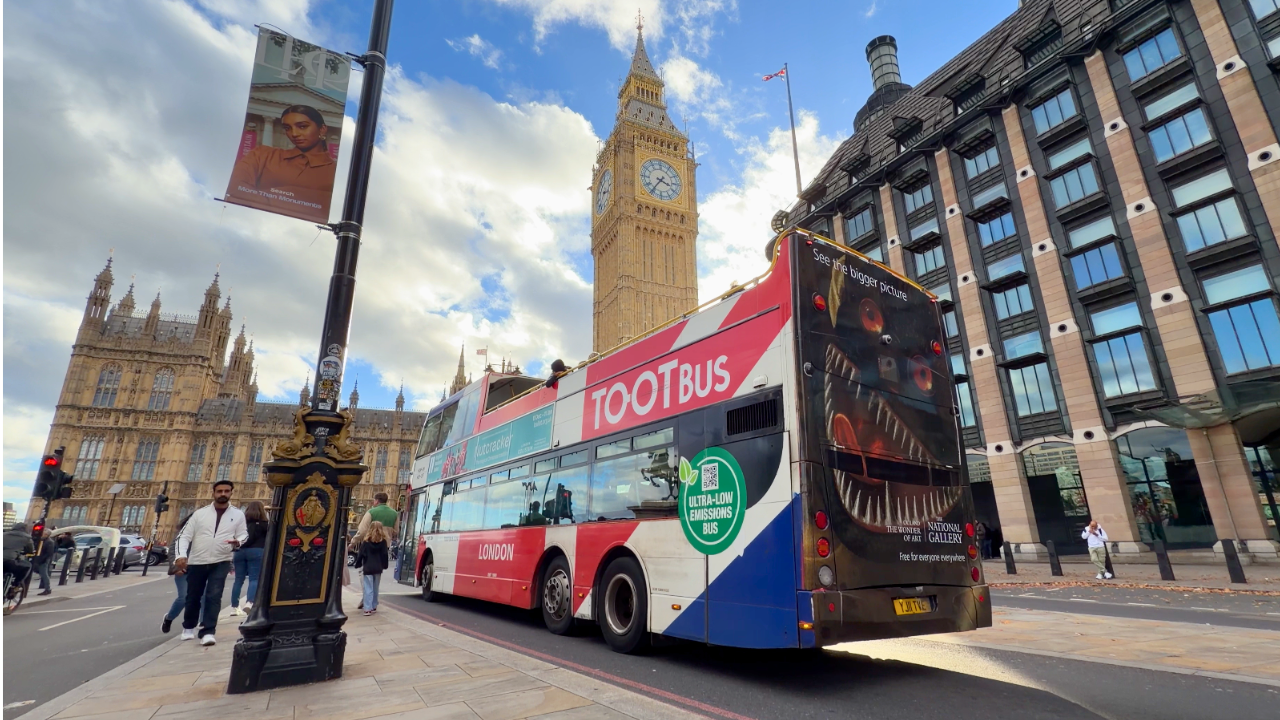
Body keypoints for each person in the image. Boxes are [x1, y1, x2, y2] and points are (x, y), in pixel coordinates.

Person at [227, 105, 337, 222]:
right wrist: (297, 198)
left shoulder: (336, 173)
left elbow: (329, 210)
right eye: (287, 128)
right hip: (249, 224)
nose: (294, 134)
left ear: (322, 129)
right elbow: (234, 189)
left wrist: (266, 194)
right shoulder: (262, 154)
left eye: (302, 126)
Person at [173, 480, 247, 646]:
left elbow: (244, 534)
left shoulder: (238, 514)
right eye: (219, 491)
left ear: (231, 493)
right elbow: (184, 536)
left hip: (222, 560)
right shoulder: (200, 514)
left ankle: (208, 631)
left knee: (214, 596)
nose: (223, 494)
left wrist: (238, 541)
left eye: (226, 491)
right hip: (197, 560)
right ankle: (189, 627)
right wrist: (180, 555)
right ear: (213, 493)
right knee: (193, 596)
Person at [161, 513, 205, 634]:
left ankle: (201, 624)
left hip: (199, 569)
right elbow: (172, 551)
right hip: (183, 569)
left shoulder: (207, 534)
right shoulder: (182, 533)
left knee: (204, 597)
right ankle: (169, 618)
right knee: (184, 598)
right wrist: (176, 568)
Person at [353, 493, 398, 609]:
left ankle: (366, 599)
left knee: (365, 574)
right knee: (377, 575)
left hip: (368, 545)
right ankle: (373, 602)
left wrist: (352, 542)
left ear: (377, 501)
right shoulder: (394, 513)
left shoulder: (371, 512)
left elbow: (362, 531)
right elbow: (396, 531)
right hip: (384, 546)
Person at [229, 501, 268, 616]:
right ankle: (249, 603)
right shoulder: (264, 524)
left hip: (240, 552)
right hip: (256, 551)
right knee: (254, 579)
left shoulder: (241, 523)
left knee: (238, 580)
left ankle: (235, 607)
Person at [356, 521, 390, 615]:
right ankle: (374, 606)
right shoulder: (383, 542)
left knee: (368, 588)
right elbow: (384, 555)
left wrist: (358, 564)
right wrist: (385, 565)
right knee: (375, 588)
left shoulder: (366, 542)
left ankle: (367, 608)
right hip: (378, 568)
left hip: (368, 567)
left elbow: (360, 555)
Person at [3, 522, 34, 592]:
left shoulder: (3, 534)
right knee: (27, 566)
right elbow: (30, 550)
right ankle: (15, 586)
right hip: (8, 561)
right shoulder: (27, 538)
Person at [32, 529, 55, 595]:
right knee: (39, 572)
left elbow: (49, 553)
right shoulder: (41, 540)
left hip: (43, 560)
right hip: (38, 559)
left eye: (44, 533)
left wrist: (42, 560)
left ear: (47, 535)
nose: (42, 534)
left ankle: (47, 589)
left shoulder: (49, 542)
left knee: (44, 574)